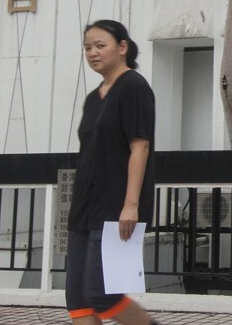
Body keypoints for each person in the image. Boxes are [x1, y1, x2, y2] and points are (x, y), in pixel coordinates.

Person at [66, 20, 161, 325]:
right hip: (85, 207)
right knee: (78, 298)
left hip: (117, 207)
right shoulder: (94, 98)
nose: (93, 53)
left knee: (103, 294)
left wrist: (131, 205)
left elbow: (140, 146)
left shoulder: (134, 86)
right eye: (87, 47)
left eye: (100, 45)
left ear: (122, 48)